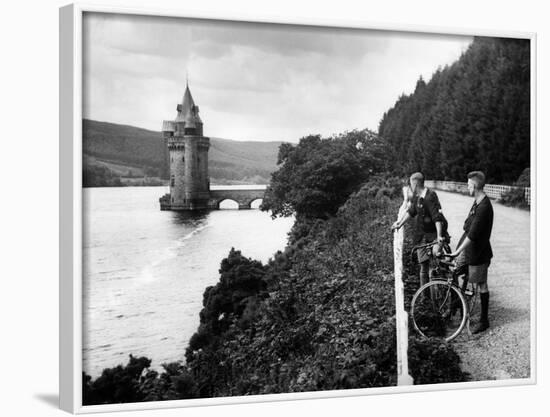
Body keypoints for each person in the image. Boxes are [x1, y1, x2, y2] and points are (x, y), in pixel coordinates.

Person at [450, 171, 494, 334]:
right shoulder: (477, 202)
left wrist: (457, 252)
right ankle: (459, 304)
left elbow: (472, 234)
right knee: (456, 272)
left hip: (479, 252)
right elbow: (467, 226)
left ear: (474, 186)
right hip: (470, 250)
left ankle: (484, 320)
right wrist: (459, 252)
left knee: (481, 284)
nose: (467, 187)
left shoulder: (484, 207)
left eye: (468, 184)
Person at [392, 172, 449, 287]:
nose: (410, 187)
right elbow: (411, 212)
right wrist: (399, 224)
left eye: (411, 184)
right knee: (423, 267)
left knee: (437, 260)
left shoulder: (430, 196)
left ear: (415, 184)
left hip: (433, 235)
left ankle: (444, 287)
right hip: (421, 236)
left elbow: (437, 218)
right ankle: (425, 296)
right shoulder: (416, 197)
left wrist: (439, 236)